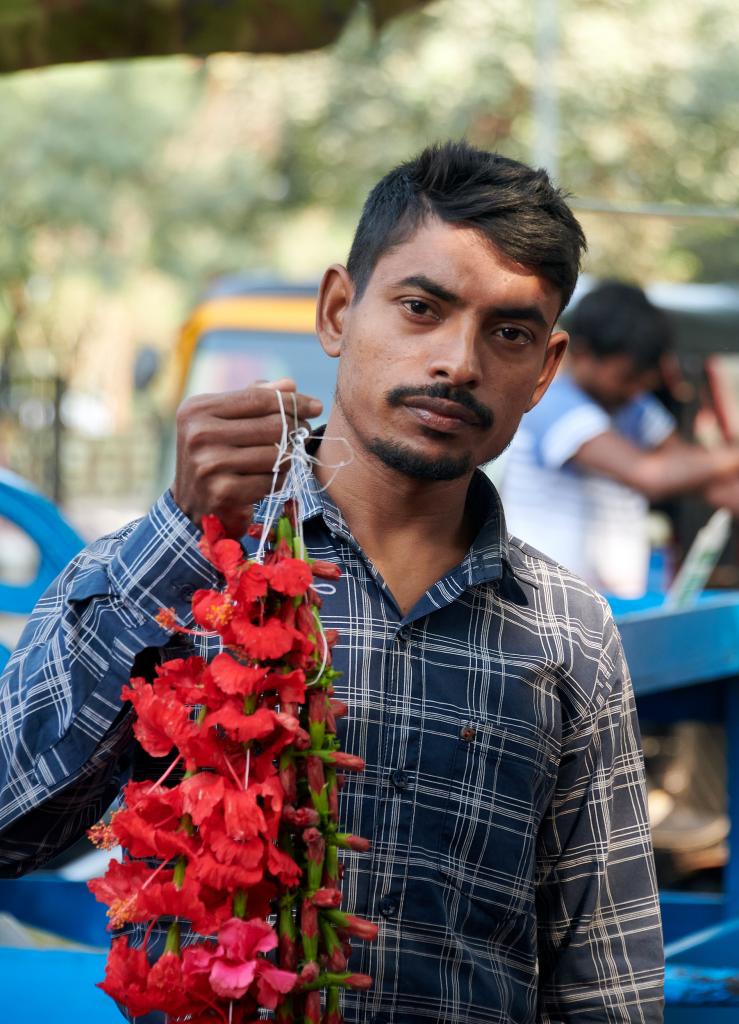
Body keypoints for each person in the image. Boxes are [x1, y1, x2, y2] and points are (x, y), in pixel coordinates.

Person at [0, 142, 664, 1023]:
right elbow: (12, 827)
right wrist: (180, 538)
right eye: (420, 307)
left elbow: (605, 979)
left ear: (544, 370)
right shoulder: (178, 569)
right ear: (338, 311)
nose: (458, 363)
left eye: (507, 332)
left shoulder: (568, 635)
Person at [501, 280, 739, 596]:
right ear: (583, 354)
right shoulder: (552, 403)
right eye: (627, 378)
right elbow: (649, 475)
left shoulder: (631, 404)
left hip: (609, 602)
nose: (635, 389)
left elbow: (692, 469)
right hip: (541, 599)